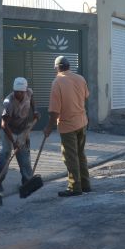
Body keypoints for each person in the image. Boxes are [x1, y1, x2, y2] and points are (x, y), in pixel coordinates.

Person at [44, 56, 90, 197]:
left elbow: (54, 111)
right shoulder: (80, 78)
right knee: (80, 154)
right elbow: (86, 96)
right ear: (68, 66)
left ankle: (74, 187)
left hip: (68, 126)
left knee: (70, 157)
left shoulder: (57, 82)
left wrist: (49, 127)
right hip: (82, 122)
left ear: (57, 68)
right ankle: (85, 184)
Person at [0, 77, 40, 195]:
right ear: (13, 90)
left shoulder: (29, 92)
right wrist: (13, 141)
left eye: (21, 91)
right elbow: (3, 125)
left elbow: (31, 99)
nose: (18, 93)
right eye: (16, 91)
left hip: (22, 128)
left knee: (24, 155)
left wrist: (35, 111)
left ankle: (27, 181)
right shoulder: (9, 102)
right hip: (8, 129)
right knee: (6, 154)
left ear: (25, 90)